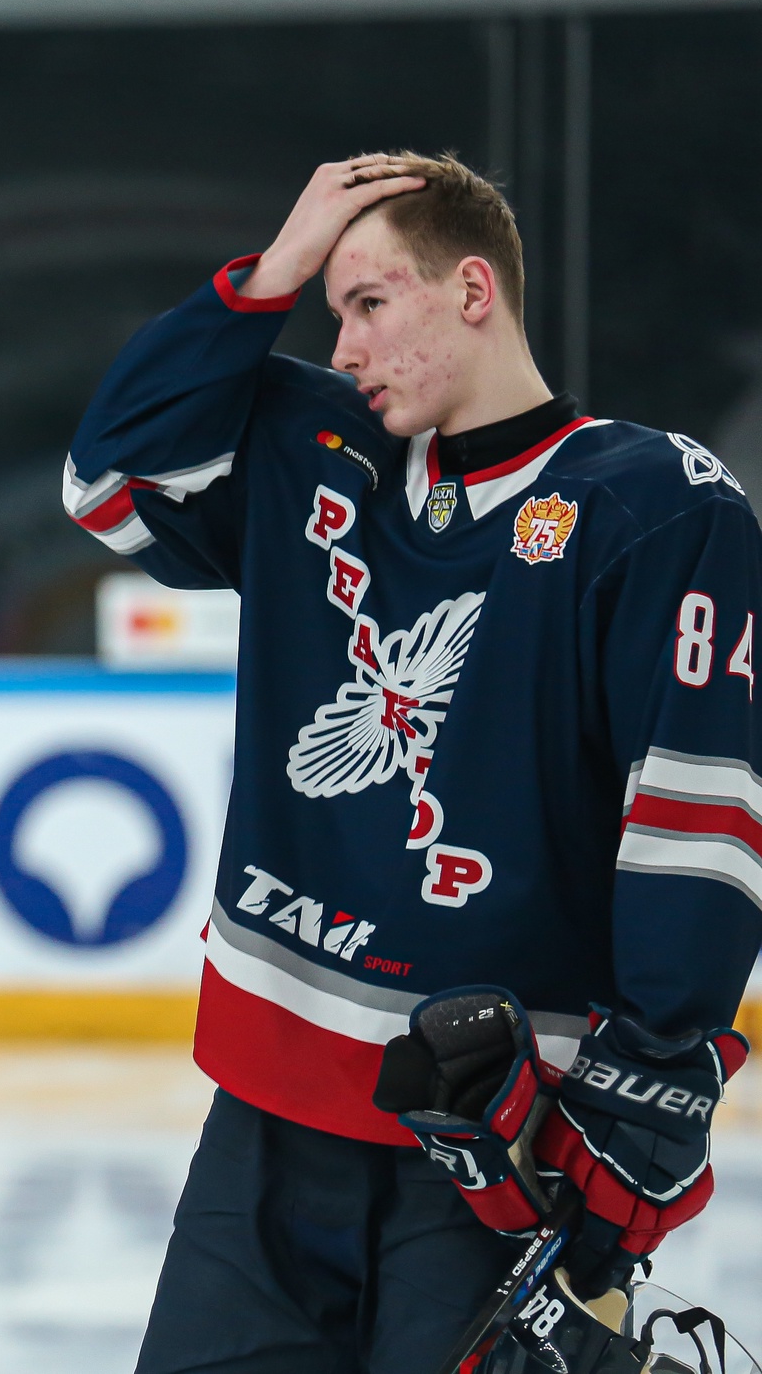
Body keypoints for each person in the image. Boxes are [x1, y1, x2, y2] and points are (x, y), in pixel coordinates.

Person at [67, 155, 761, 1374]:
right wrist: (266, 277)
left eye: (369, 304)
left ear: (472, 290)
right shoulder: (311, 452)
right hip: (268, 1121)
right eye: (330, 310)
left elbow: (693, 806)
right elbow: (108, 482)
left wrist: (656, 1064)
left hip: (498, 1137)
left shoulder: (653, 504)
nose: (343, 347)